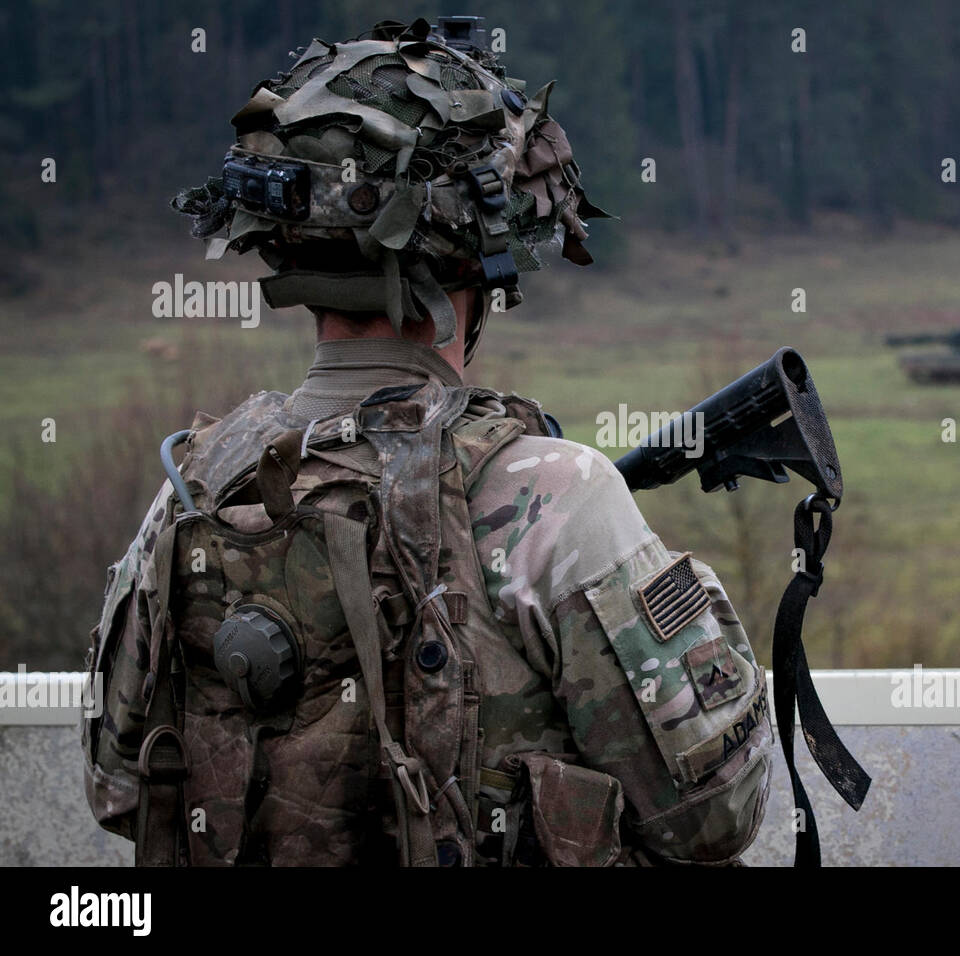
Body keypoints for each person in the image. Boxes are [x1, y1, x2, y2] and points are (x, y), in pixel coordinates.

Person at [82, 17, 772, 867]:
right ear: (474, 276)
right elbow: (714, 815)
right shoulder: (557, 493)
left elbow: (118, 786)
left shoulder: (196, 487)